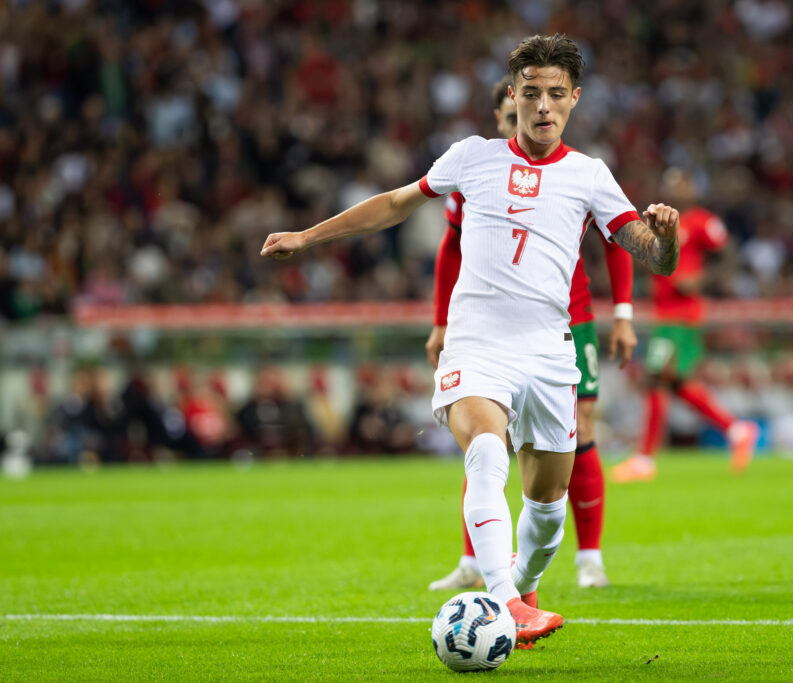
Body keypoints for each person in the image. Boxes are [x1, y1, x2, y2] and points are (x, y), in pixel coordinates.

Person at [260, 34, 680, 647]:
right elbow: (395, 204)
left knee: (547, 504)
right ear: (512, 95)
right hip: (477, 346)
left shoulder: (590, 176)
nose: (542, 107)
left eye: (555, 95)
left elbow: (652, 257)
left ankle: (526, 585)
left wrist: (666, 238)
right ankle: (504, 601)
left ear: (574, 100)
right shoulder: (473, 157)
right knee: (485, 450)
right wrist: (307, 235)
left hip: (548, 355)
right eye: (530, 93)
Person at [426, 77, 636, 593]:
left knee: (577, 433)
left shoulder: (581, 173)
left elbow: (618, 240)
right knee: (485, 438)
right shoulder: (478, 170)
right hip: (487, 333)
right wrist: (441, 320)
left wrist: (624, 312)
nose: (512, 124)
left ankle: (588, 556)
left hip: (568, 321)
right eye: (506, 115)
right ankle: (485, 568)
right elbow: (450, 249)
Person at [611, 168, 759, 483]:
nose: (675, 188)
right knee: (674, 383)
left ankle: (644, 461)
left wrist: (703, 280)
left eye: (682, 183)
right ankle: (736, 429)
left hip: (682, 316)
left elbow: (729, 254)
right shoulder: (660, 220)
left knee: (654, 379)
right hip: (665, 313)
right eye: (670, 183)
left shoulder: (703, 221)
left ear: (693, 189)